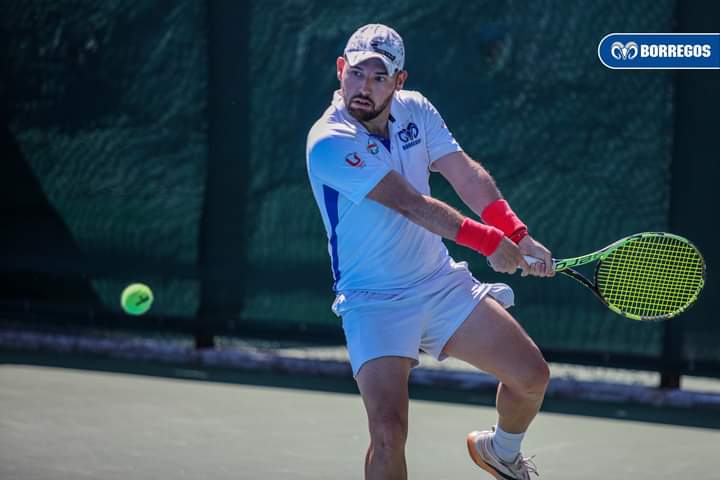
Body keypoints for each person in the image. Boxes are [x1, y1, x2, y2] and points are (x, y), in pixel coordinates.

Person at [305, 23, 553, 480]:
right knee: (387, 431)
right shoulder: (328, 141)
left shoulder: (416, 110)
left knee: (531, 376)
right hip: (373, 300)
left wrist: (517, 234)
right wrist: (489, 243)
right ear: (341, 70)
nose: (364, 87)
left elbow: (466, 176)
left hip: (439, 284)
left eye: (379, 77)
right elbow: (410, 204)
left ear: (399, 83)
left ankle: (500, 451)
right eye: (356, 73)